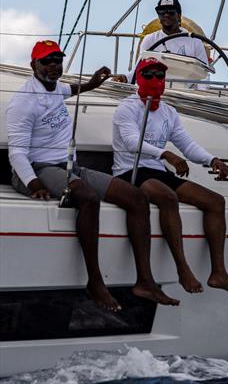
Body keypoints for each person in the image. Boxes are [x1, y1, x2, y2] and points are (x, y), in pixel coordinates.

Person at [6, 40, 179, 310]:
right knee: (87, 197)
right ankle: (95, 281)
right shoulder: (24, 102)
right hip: (37, 168)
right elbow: (16, 153)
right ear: (33, 65)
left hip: (67, 166)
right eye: (46, 61)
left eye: (57, 60)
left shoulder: (54, 87)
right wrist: (33, 182)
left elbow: (68, 89)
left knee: (135, 197)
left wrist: (91, 85)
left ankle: (145, 281)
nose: (53, 65)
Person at [112, 57, 228, 295]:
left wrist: (211, 160)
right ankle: (182, 268)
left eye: (160, 75)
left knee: (216, 202)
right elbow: (132, 143)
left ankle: (218, 272)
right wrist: (166, 154)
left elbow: (186, 144)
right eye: (149, 75)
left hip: (156, 171)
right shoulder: (127, 108)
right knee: (167, 197)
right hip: (130, 171)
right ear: (138, 79)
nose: (155, 80)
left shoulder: (168, 112)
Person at [115, 0, 209, 86]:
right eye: (161, 12)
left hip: (186, 95)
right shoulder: (149, 39)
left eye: (171, 12)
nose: (166, 15)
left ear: (179, 16)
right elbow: (139, 69)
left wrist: (200, 96)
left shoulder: (194, 41)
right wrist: (125, 78)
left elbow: (203, 75)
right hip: (155, 91)